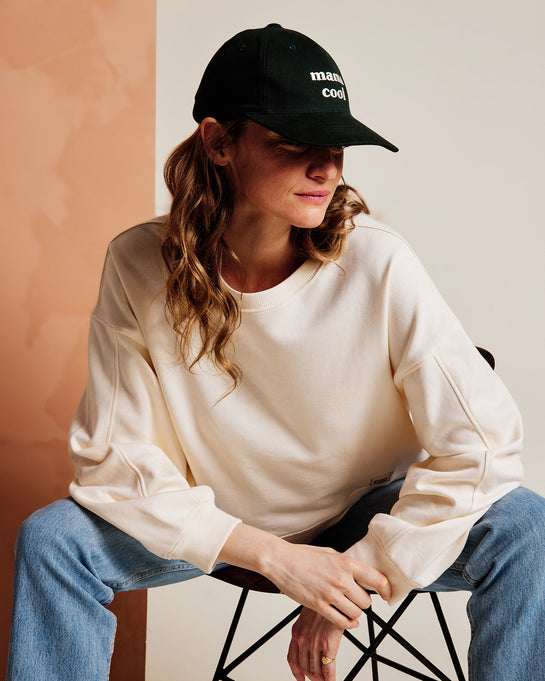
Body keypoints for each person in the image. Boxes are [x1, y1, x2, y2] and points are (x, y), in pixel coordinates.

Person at [6, 23, 545, 681]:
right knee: (54, 541)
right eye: (293, 144)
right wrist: (277, 558)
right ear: (219, 142)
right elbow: (114, 460)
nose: (326, 169)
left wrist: (357, 575)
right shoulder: (138, 263)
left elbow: (484, 446)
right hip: (222, 521)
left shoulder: (377, 263)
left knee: (526, 527)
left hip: (361, 513)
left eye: (336, 146)